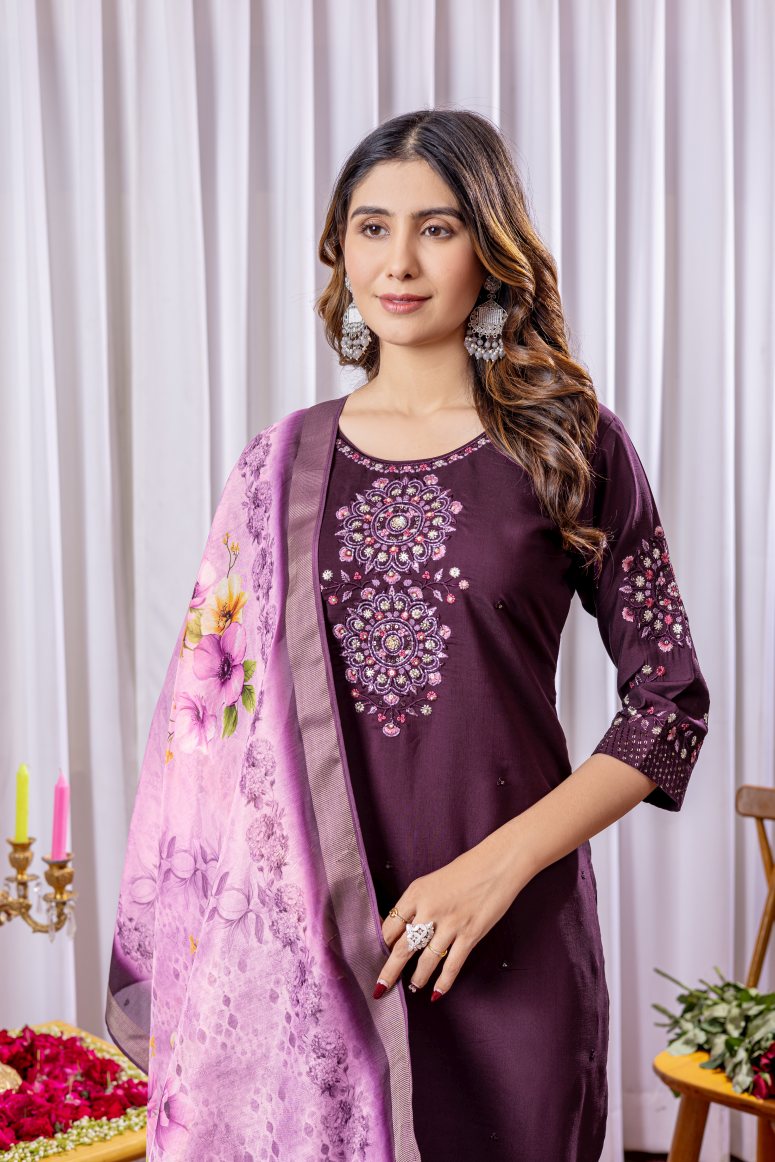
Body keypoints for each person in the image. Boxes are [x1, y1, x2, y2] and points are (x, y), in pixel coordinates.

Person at [106, 108, 711, 1162]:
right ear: (340, 249)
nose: (400, 261)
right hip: (310, 949)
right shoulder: (278, 464)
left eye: (437, 228)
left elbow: (668, 709)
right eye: (372, 226)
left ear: (490, 246)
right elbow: (207, 737)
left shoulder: (570, 446)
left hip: (513, 939)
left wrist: (497, 868)